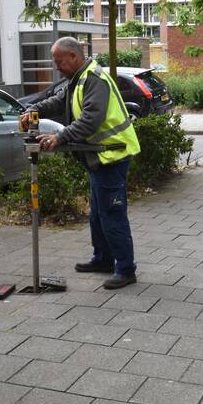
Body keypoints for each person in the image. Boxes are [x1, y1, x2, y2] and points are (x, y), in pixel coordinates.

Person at [20, 37, 141, 289]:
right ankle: (103, 259)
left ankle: (126, 269)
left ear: (74, 57)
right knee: (98, 214)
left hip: (112, 156)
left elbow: (90, 120)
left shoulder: (94, 79)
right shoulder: (79, 79)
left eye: (58, 62)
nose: (56, 67)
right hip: (99, 156)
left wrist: (59, 137)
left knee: (111, 214)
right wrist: (33, 109)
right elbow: (58, 101)